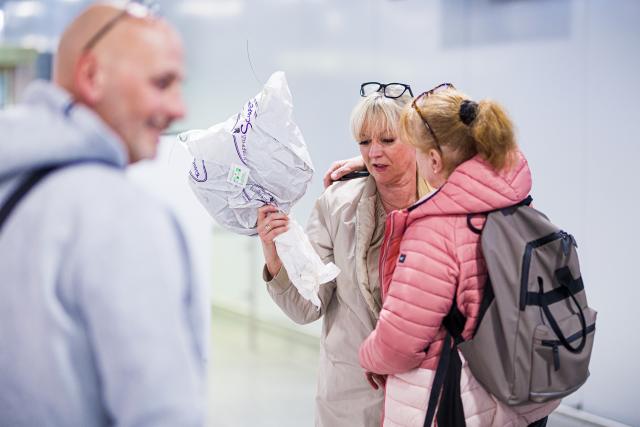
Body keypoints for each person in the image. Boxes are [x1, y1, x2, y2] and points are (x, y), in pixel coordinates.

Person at [0, 3, 207, 426]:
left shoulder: (13, 183)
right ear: (92, 76)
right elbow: (162, 410)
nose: (179, 108)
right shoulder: (116, 214)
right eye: (162, 83)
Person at [357, 83, 559, 426]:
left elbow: (400, 342)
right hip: (523, 394)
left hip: (455, 402)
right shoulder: (517, 204)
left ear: (434, 160)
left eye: (415, 151)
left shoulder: (435, 230)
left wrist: (369, 356)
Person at [257, 82, 430, 426]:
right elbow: (308, 305)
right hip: (351, 399)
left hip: (425, 394)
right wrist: (275, 256)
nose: (374, 152)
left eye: (387, 140)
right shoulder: (337, 206)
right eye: (365, 143)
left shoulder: (443, 205)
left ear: (415, 139)